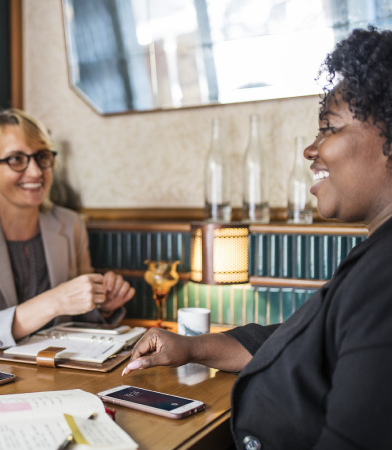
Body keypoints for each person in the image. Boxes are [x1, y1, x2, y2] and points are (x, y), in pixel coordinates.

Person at [123, 27, 392, 449]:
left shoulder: (386, 281)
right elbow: (296, 342)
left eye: (329, 128)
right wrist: (191, 347)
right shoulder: (376, 257)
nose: (311, 149)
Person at [0, 109, 134, 358]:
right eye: (16, 159)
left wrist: (103, 305)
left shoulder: (71, 225)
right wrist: (53, 302)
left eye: (42, 156)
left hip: (59, 370)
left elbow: (79, 319)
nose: (36, 172)